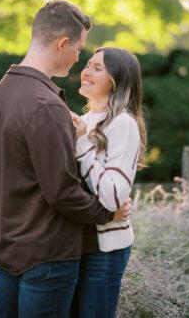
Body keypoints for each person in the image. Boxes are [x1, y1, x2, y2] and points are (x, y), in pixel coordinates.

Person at [0, 0, 131, 318]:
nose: (80, 58)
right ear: (63, 43)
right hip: (47, 255)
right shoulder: (46, 105)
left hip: (7, 248)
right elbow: (61, 191)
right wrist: (107, 213)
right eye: (79, 48)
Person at [69, 47, 147, 318]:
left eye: (97, 68)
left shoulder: (123, 124)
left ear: (117, 79)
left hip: (105, 250)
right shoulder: (84, 121)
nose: (86, 71)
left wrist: (81, 143)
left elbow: (114, 196)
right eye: (87, 65)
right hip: (77, 244)